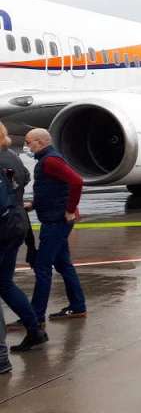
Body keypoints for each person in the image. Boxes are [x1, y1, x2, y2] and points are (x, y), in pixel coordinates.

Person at [24, 128, 87, 324]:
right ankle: (77, 306)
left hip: (56, 222)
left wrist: (70, 208)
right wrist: (33, 204)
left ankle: (36, 316)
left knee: (43, 268)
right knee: (63, 264)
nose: (27, 145)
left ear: (40, 142)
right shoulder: (48, 160)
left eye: (29, 142)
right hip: (54, 219)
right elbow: (53, 188)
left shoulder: (50, 160)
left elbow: (77, 181)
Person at [0, 123, 47, 353]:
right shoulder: (11, 156)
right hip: (17, 222)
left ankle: (34, 329)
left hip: (4, 225)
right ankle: (34, 329)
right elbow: (25, 178)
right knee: (5, 283)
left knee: (4, 283)